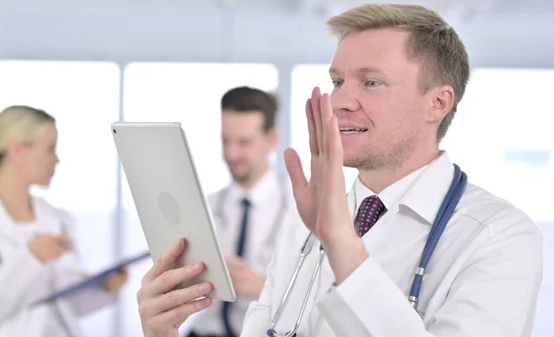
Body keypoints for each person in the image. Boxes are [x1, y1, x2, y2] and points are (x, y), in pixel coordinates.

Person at [136, 4, 543, 337]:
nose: (339, 102)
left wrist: (340, 242)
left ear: (437, 103)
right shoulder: (303, 226)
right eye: (336, 81)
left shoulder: (500, 238)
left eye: (370, 83)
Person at [0, 105, 129, 337]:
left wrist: (104, 288)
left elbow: (64, 308)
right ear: (16, 149)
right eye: (50, 149)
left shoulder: (58, 219)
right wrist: (30, 258)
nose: (56, 160)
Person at [185, 86, 298, 337]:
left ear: (271, 140)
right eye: (226, 140)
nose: (231, 153)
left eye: (244, 142)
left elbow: (317, 298)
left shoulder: (298, 211)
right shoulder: (205, 207)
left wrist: (263, 288)